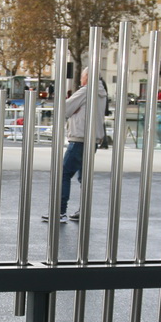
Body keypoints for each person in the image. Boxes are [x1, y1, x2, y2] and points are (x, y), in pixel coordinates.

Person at [44, 69, 107, 223]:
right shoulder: (101, 92)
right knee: (84, 177)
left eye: (82, 77)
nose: (80, 80)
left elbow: (64, 109)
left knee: (63, 173)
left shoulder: (85, 91)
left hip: (80, 137)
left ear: (88, 77)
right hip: (93, 139)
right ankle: (83, 210)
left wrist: (72, 110)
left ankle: (60, 211)